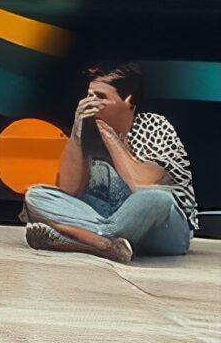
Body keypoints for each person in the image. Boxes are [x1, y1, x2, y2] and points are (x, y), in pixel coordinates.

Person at [21, 63, 198, 261]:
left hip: (162, 228)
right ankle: (105, 244)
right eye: (89, 95)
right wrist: (78, 128)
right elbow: (69, 190)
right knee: (36, 196)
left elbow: (142, 184)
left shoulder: (155, 126)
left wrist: (109, 135)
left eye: (100, 97)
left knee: (157, 198)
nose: (90, 103)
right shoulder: (86, 129)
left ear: (129, 101)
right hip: (107, 217)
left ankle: (76, 236)